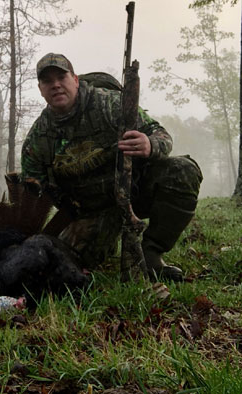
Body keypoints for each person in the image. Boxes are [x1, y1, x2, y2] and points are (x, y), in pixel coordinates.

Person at [21, 53, 203, 281]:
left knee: (182, 170)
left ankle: (152, 255)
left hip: (134, 193)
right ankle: (102, 242)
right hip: (89, 211)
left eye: (61, 77)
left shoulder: (109, 104)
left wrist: (150, 144)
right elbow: (31, 190)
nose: (56, 85)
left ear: (75, 80)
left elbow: (160, 134)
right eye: (47, 81)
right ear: (40, 89)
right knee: (64, 267)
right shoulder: (38, 138)